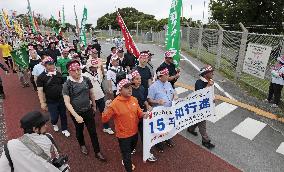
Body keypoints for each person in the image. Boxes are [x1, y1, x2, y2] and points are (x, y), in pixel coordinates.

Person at [62, 60, 106, 161]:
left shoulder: (86, 79)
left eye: (78, 69)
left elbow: (91, 93)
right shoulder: (67, 84)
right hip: (76, 113)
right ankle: (82, 144)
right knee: (79, 130)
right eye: (74, 70)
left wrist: (94, 106)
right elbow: (67, 102)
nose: (77, 72)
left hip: (88, 110)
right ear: (69, 72)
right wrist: (76, 116)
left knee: (93, 131)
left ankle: (97, 151)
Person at [102, 79, 149, 172]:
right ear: (120, 90)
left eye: (130, 87)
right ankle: (127, 164)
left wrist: (143, 114)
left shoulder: (134, 99)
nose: (130, 89)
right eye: (126, 88)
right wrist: (106, 107)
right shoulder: (114, 104)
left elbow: (139, 112)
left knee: (132, 149)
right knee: (127, 155)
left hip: (135, 132)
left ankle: (126, 157)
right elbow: (104, 119)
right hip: (123, 136)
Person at [0, 111, 68, 172]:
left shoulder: (9, 145)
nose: (46, 126)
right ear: (35, 129)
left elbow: (3, 168)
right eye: (43, 124)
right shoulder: (47, 139)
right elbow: (55, 153)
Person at [36, 56, 70, 137]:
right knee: (54, 117)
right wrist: (42, 103)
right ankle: (54, 123)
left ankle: (64, 129)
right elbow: (40, 91)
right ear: (45, 65)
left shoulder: (58, 74)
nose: (52, 66)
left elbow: (63, 85)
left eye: (52, 64)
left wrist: (67, 97)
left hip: (61, 99)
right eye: (49, 64)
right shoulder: (41, 77)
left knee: (63, 114)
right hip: (51, 101)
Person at [148, 66, 178, 153]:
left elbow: (172, 92)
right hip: (159, 112)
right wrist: (157, 101)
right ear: (160, 76)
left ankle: (167, 139)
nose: (168, 76)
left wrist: (175, 96)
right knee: (159, 128)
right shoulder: (153, 86)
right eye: (166, 75)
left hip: (169, 110)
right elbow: (149, 100)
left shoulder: (168, 83)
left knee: (168, 126)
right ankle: (158, 143)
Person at [129, 70, 157, 162]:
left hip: (143, 115)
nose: (139, 80)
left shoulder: (142, 88)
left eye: (140, 79)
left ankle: (147, 152)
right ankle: (132, 147)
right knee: (133, 135)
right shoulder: (129, 90)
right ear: (132, 80)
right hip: (133, 117)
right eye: (137, 79)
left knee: (145, 133)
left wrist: (147, 105)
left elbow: (144, 99)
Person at [83, 59, 115, 135]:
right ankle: (90, 126)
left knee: (104, 112)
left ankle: (106, 127)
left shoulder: (97, 73)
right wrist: (89, 99)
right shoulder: (85, 76)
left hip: (100, 95)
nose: (95, 68)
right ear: (89, 67)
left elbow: (101, 83)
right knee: (92, 113)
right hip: (92, 98)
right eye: (93, 67)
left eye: (96, 67)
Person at [187, 65, 215, 149]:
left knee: (198, 120)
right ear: (205, 74)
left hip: (206, 105)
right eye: (210, 72)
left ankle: (190, 129)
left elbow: (209, 93)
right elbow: (200, 95)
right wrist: (208, 86)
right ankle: (205, 141)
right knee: (202, 124)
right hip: (199, 107)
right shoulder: (199, 83)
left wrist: (213, 98)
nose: (212, 73)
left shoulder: (209, 81)